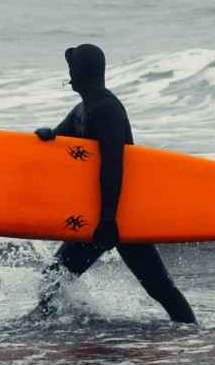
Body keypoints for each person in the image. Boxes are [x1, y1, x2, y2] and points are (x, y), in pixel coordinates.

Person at [33, 44, 196, 324]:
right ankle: (46, 325)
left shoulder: (107, 110)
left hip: (117, 214)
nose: (69, 75)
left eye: (72, 69)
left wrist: (108, 220)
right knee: (54, 278)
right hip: (101, 212)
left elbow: (113, 165)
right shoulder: (83, 109)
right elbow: (62, 137)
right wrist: (49, 135)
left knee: (157, 287)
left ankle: (191, 331)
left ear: (83, 71)